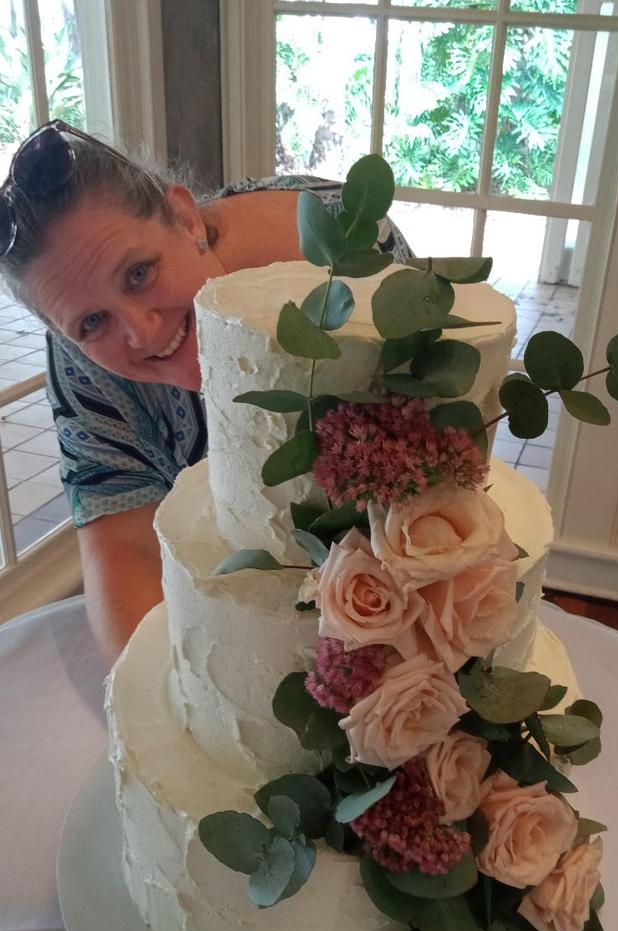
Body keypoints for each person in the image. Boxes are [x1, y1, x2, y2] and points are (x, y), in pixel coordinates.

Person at [0, 120, 412, 665]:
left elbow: (419, 485)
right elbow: (120, 545)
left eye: (139, 273)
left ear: (185, 216)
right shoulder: (83, 357)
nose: (141, 333)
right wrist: (179, 700)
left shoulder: (354, 253)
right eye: (92, 321)